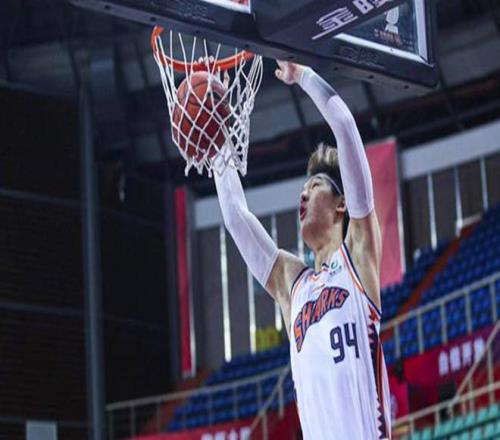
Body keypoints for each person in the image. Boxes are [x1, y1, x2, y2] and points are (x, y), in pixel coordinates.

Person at [213, 61, 391, 440]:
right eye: (303, 189)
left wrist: (303, 75)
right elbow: (236, 218)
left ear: (341, 204)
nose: (303, 193)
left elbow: (345, 127)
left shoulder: (358, 255)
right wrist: (217, 144)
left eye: (315, 186)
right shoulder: (293, 284)